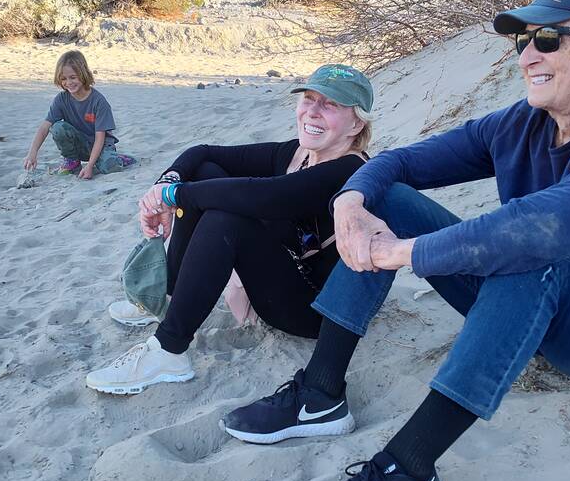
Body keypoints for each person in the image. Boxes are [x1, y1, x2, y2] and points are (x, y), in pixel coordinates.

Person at [220, 0, 570, 481]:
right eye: (522, 41)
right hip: (528, 311)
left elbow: (544, 229)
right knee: (388, 199)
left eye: (548, 38)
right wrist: (351, 199)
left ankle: (410, 475)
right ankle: (320, 393)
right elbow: (399, 162)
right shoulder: (522, 123)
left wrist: (405, 252)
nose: (529, 55)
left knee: (533, 253)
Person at [85, 65, 377, 395]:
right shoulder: (298, 153)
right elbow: (203, 153)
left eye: (331, 104)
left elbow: (268, 197)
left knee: (226, 217)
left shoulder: (351, 171)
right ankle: (169, 297)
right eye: (309, 99)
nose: (313, 110)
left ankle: (168, 350)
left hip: (315, 311)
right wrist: (166, 184)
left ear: (356, 123)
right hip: (287, 270)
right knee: (206, 173)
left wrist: (173, 197)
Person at [23, 50, 132, 180]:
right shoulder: (61, 99)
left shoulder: (99, 102)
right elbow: (45, 126)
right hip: (80, 145)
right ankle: (72, 162)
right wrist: (32, 152)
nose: (68, 82)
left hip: (100, 145)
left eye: (73, 77)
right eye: (63, 78)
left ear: (83, 74)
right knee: (58, 127)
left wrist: (90, 165)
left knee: (109, 167)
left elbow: (100, 137)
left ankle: (118, 158)